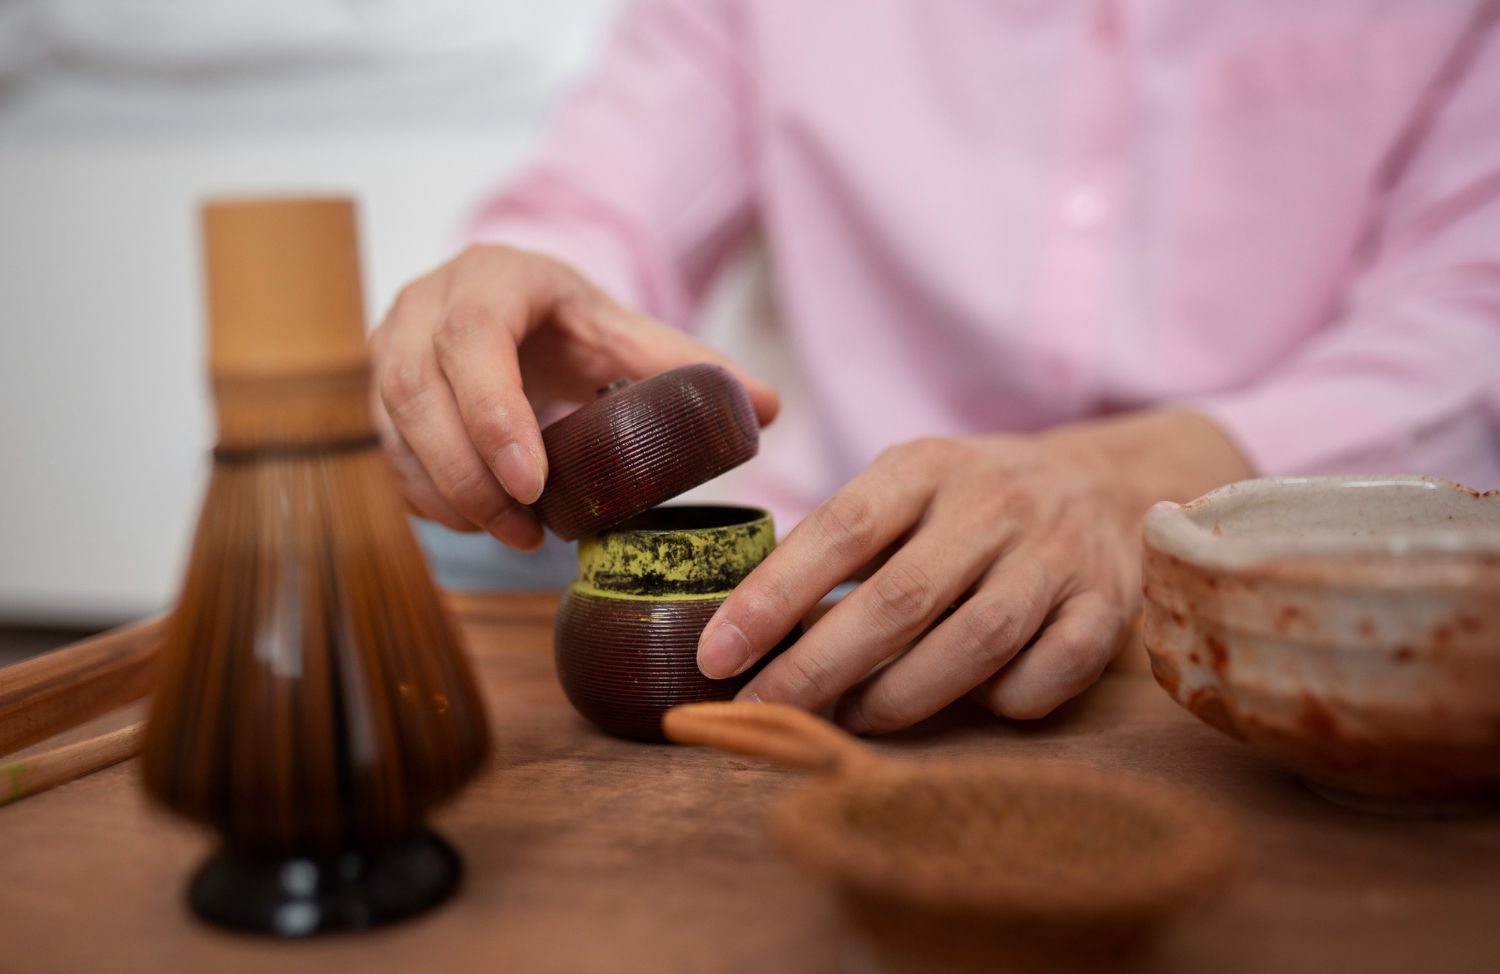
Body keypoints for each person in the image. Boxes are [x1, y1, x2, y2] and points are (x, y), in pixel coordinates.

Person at [370, 0, 1500, 734]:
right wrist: (514, 307)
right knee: (428, 536)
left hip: (1276, 609)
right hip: (820, 603)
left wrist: (1126, 486)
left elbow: (1467, 325)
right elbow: (600, 201)